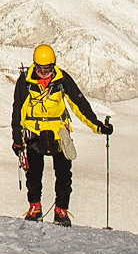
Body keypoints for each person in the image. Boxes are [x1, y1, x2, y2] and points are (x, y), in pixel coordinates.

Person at [10, 43, 112, 226]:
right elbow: (17, 109)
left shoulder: (61, 79)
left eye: (47, 68)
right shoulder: (25, 81)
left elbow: (79, 104)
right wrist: (18, 140)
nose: (44, 72)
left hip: (59, 133)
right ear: (35, 65)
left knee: (64, 174)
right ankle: (35, 208)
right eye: (41, 68)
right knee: (34, 174)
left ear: (53, 65)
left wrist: (97, 126)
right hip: (34, 132)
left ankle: (61, 211)